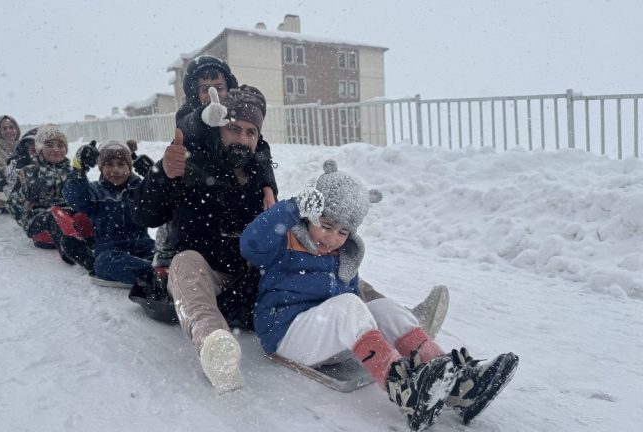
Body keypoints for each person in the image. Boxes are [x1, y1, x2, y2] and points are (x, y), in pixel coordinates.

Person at [240, 160, 519, 431]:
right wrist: (293, 207)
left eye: (343, 232)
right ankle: (403, 388)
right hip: (286, 336)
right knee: (349, 305)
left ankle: (456, 383)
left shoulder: (344, 256)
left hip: (327, 340)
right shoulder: (285, 241)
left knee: (384, 308)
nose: (332, 238)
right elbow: (250, 244)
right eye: (326, 224)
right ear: (309, 215)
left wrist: (374, 324)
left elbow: (355, 311)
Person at [133, 85, 272, 393]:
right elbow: (144, 215)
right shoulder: (190, 163)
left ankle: (374, 315)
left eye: (250, 132)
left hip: (249, 278)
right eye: (234, 129)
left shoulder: (259, 173)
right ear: (219, 128)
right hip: (207, 276)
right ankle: (215, 346)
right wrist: (162, 174)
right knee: (185, 263)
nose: (243, 139)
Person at [152, 56, 278, 277]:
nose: (213, 94)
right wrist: (203, 118)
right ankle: (168, 252)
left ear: (229, 88)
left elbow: (261, 150)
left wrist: (268, 184)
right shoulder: (191, 114)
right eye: (205, 89)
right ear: (194, 92)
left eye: (219, 88)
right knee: (181, 217)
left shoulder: (235, 117)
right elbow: (186, 126)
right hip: (196, 184)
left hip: (222, 191)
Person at [63, 140, 155, 286]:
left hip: (144, 246)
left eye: (121, 164)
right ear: (101, 168)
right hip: (111, 249)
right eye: (109, 164)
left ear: (129, 167)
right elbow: (76, 199)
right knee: (103, 264)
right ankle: (154, 274)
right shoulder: (94, 191)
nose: (115, 170)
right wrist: (78, 170)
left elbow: (164, 203)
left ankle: (156, 271)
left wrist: (155, 177)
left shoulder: (140, 189)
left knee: (171, 255)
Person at [7, 124, 94, 270]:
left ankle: (98, 244)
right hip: (43, 227)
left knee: (85, 213)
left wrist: (80, 175)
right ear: (39, 149)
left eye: (60, 145)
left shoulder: (71, 172)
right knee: (56, 213)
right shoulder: (29, 173)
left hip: (71, 224)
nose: (56, 149)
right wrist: (27, 220)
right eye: (49, 145)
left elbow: (84, 199)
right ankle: (81, 256)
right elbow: (13, 204)